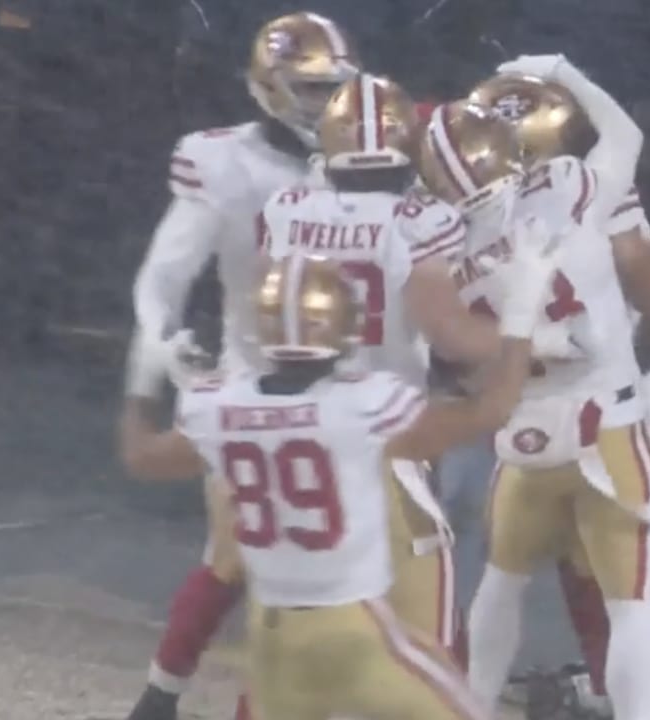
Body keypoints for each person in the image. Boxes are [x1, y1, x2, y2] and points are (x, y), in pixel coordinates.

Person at [118, 240, 564, 719]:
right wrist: (519, 319)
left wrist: (143, 376)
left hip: (272, 634)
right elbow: (491, 411)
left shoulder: (222, 407)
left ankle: (161, 691)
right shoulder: (360, 405)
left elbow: (142, 456)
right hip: (349, 628)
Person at [416, 101, 650, 720]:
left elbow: (451, 361)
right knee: (635, 608)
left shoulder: (437, 249)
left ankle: (472, 707)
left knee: (501, 583)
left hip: (525, 438)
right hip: (613, 422)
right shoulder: (573, 188)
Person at [122, 12, 359, 720]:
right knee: (268, 575)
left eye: (332, 88)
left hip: (348, 394)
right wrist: (163, 346)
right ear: (266, 86)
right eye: (308, 88)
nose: (323, 105)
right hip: (257, 386)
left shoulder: (373, 158)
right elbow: (165, 275)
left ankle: (160, 699)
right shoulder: (224, 161)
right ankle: (166, 698)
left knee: (256, 569)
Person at [257, 72, 510, 652]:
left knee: (300, 622)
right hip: (387, 441)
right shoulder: (423, 223)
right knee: (431, 627)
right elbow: (450, 337)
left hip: (299, 432)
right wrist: (521, 338)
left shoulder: (285, 209)